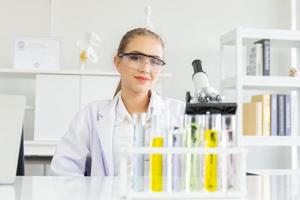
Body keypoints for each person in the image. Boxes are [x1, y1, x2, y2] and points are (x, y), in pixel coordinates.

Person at [49, 28, 185, 176]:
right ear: (118, 62)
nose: (146, 68)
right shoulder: (91, 116)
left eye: (154, 61)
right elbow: (62, 173)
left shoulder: (180, 113)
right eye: (135, 58)